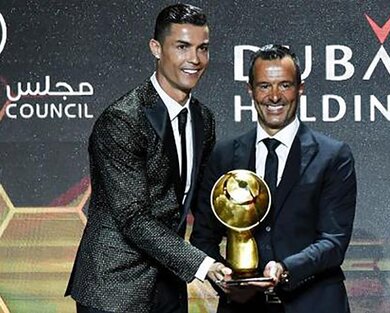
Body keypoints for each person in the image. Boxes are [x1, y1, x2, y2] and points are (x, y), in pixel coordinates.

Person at [65, 4, 231, 313]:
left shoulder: (203, 118)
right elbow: (132, 217)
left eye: (202, 48)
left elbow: (202, 202)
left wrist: (240, 257)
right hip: (115, 288)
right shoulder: (122, 120)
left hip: (168, 283)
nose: (194, 60)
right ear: (156, 48)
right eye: (182, 47)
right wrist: (204, 265)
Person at [190, 44, 357, 313]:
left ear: (300, 88)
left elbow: (334, 241)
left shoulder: (333, 156)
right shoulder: (223, 156)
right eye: (265, 86)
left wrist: (286, 269)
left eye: (285, 85)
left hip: (314, 304)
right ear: (250, 90)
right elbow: (203, 238)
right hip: (242, 307)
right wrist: (222, 276)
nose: (275, 96)